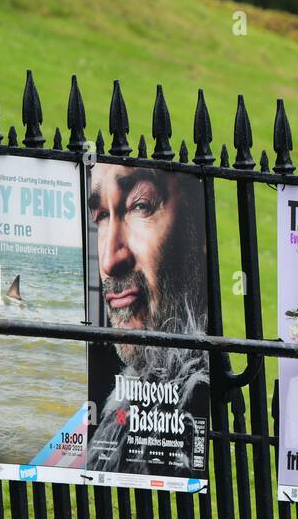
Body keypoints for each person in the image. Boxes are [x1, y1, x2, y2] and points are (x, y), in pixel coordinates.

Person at [86, 163, 209, 474]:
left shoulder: (195, 400)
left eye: (139, 205)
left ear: (198, 230)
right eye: (101, 215)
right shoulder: (119, 407)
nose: (109, 260)